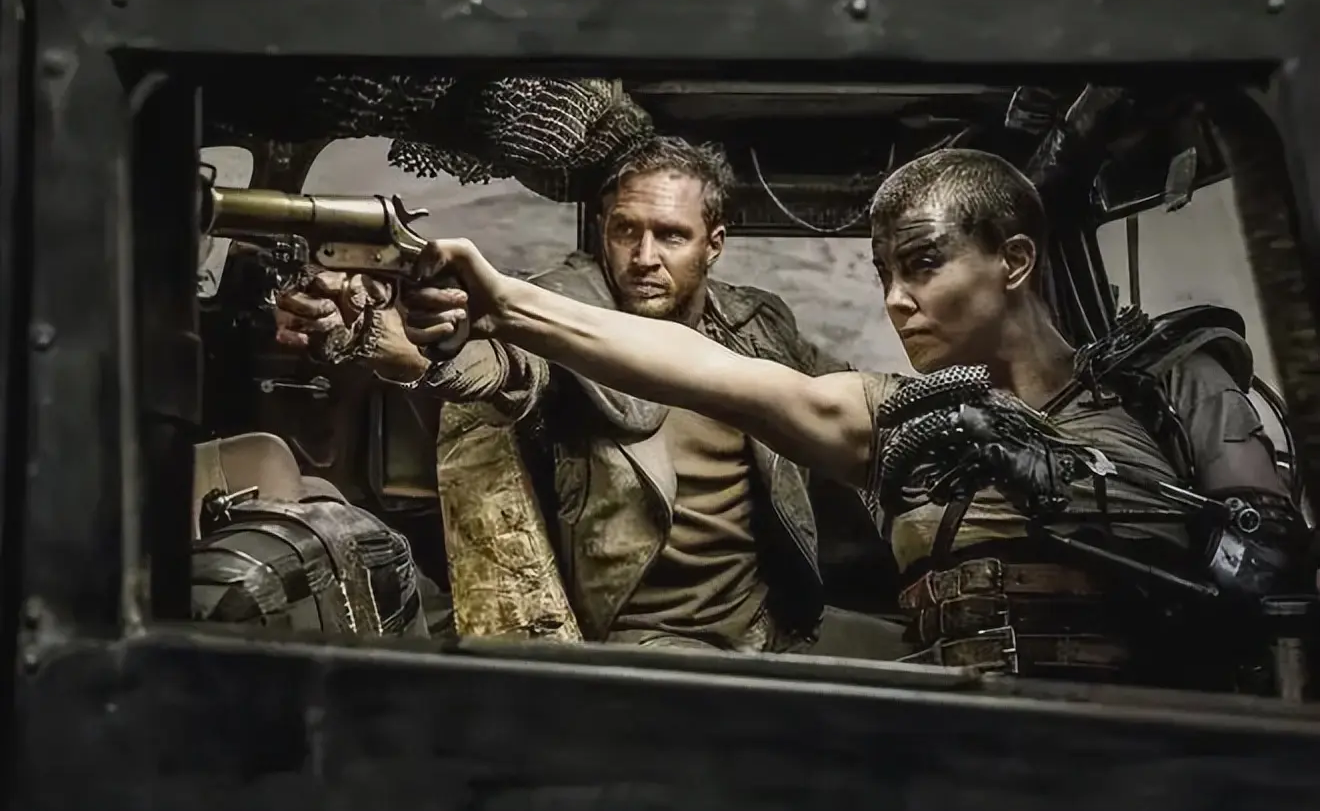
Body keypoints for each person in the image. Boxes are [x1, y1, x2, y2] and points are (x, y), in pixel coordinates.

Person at [400, 148, 1308, 685]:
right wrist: (505, 304)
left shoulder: (1166, 386)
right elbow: (709, 370)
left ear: (1015, 261)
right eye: (884, 275)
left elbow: (1268, 577)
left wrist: (1063, 479)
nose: (896, 301)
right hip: (971, 740)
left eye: (922, 266)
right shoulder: (909, 419)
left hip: (1157, 742)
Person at [276, 136, 902, 657]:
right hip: (648, 640)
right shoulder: (564, 316)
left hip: (774, 625)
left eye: (671, 236)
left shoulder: (757, 324)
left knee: (926, 664)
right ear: (604, 228)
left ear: (713, 243)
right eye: (626, 231)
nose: (644, 257)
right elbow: (495, 363)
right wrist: (378, 334)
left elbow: (857, 406)